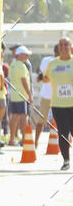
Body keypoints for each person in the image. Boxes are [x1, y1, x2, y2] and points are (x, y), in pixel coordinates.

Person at [43, 37, 73, 170]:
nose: (63, 47)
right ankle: (66, 161)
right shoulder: (52, 64)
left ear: (71, 47)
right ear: (58, 48)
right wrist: (42, 78)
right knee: (63, 132)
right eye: (61, 45)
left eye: (66, 44)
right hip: (58, 104)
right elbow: (45, 78)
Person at [34, 44, 58, 148]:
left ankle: (35, 143)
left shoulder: (46, 60)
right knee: (55, 121)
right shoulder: (50, 61)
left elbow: (41, 74)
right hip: (52, 95)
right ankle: (36, 143)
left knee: (42, 121)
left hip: (50, 95)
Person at [7, 46, 32, 146]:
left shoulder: (12, 64)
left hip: (14, 95)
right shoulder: (21, 65)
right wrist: (30, 95)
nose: (27, 56)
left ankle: (12, 139)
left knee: (15, 116)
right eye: (25, 54)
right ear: (19, 55)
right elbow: (24, 81)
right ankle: (24, 139)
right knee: (23, 116)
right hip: (22, 95)